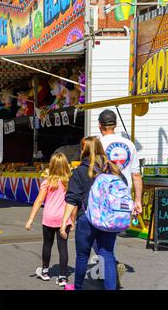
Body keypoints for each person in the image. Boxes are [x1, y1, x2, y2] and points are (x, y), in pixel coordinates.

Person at [60, 137, 136, 290]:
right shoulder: (114, 169)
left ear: (84, 150)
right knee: (107, 255)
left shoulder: (81, 171)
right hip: (108, 219)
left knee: (82, 256)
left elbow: (72, 199)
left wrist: (64, 223)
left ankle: (77, 287)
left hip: (86, 219)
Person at [97, 109, 143, 286]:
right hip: (123, 200)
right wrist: (137, 201)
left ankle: (110, 266)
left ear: (100, 126)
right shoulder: (129, 144)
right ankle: (108, 268)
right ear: (115, 125)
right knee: (111, 236)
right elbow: (136, 175)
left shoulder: (98, 143)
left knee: (93, 236)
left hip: (102, 199)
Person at [25, 153, 73, 287]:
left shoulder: (47, 182)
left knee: (47, 244)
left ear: (51, 165)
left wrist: (30, 219)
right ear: (65, 165)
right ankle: (63, 277)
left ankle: (45, 271)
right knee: (63, 247)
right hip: (64, 219)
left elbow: (39, 201)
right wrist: (72, 220)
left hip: (49, 218)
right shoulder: (68, 183)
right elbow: (73, 203)